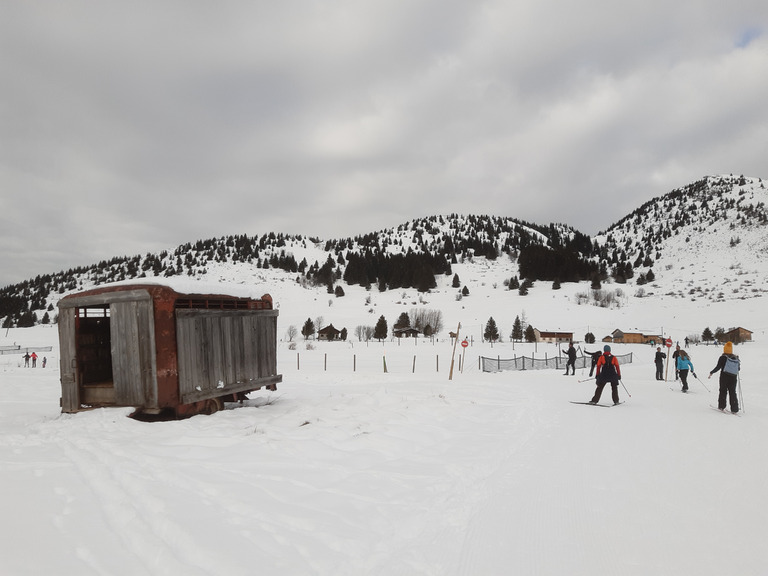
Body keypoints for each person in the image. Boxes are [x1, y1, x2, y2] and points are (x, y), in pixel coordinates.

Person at [709, 341, 740, 413]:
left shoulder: (722, 357)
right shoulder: (735, 358)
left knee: (723, 391)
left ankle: (721, 406)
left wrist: (711, 372)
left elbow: (718, 367)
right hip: (733, 377)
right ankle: (735, 409)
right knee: (732, 392)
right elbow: (738, 369)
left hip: (724, 377)